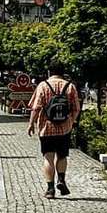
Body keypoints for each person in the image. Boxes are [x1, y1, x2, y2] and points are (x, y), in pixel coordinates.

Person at [28, 63, 81, 199]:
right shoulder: (70, 86)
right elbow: (76, 109)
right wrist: (70, 121)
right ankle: (61, 180)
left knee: (48, 157)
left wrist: (31, 124)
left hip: (46, 128)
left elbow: (36, 107)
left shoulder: (43, 86)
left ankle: (50, 189)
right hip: (64, 129)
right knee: (62, 156)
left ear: (49, 71)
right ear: (63, 72)